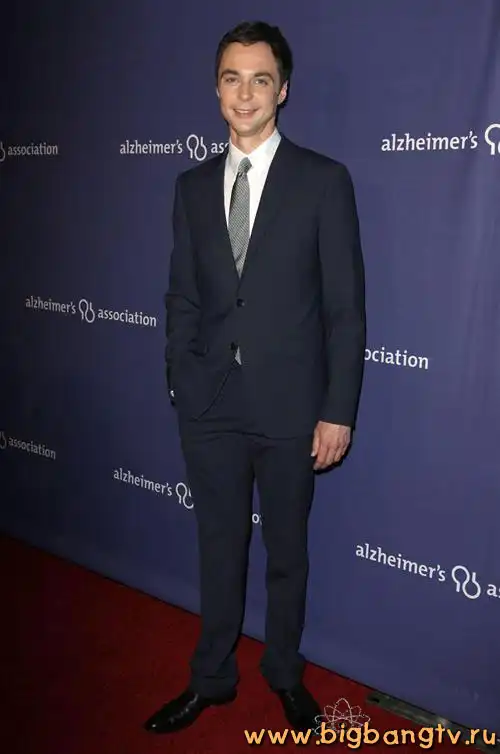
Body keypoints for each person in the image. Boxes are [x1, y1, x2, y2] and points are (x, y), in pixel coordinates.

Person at [144, 19, 366, 735]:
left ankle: (285, 674)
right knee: (218, 548)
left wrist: (338, 409)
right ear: (216, 90)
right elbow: (182, 294)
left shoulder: (324, 181)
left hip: (292, 406)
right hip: (209, 403)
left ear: (283, 90)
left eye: (260, 79)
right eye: (232, 79)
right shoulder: (189, 186)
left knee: (287, 553)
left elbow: (345, 310)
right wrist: (179, 373)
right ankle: (210, 679)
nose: (245, 94)